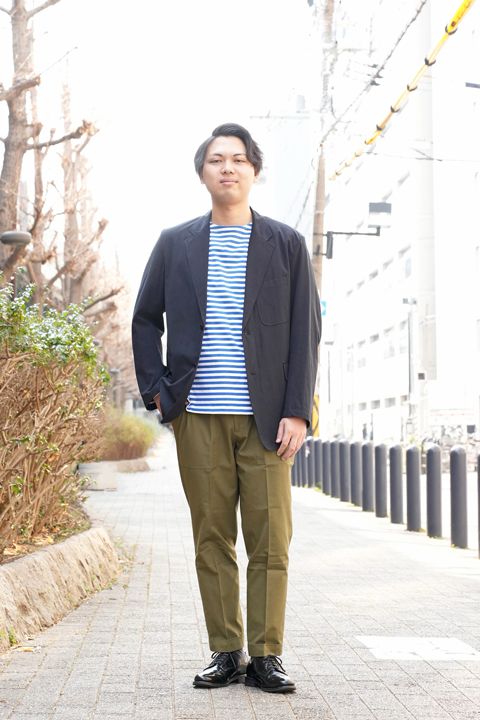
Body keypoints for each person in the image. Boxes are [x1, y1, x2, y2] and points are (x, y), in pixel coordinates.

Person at [131, 123, 321, 694]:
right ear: (203, 173)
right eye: (217, 159)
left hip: (269, 421)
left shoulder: (285, 243)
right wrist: (159, 393)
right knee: (212, 539)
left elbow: (305, 331)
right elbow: (145, 319)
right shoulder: (176, 243)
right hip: (198, 417)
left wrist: (298, 410)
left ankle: (266, 655)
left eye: (238, 159)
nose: (228, 167)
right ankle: (225, 650)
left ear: (254, 171)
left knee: (271, 541)